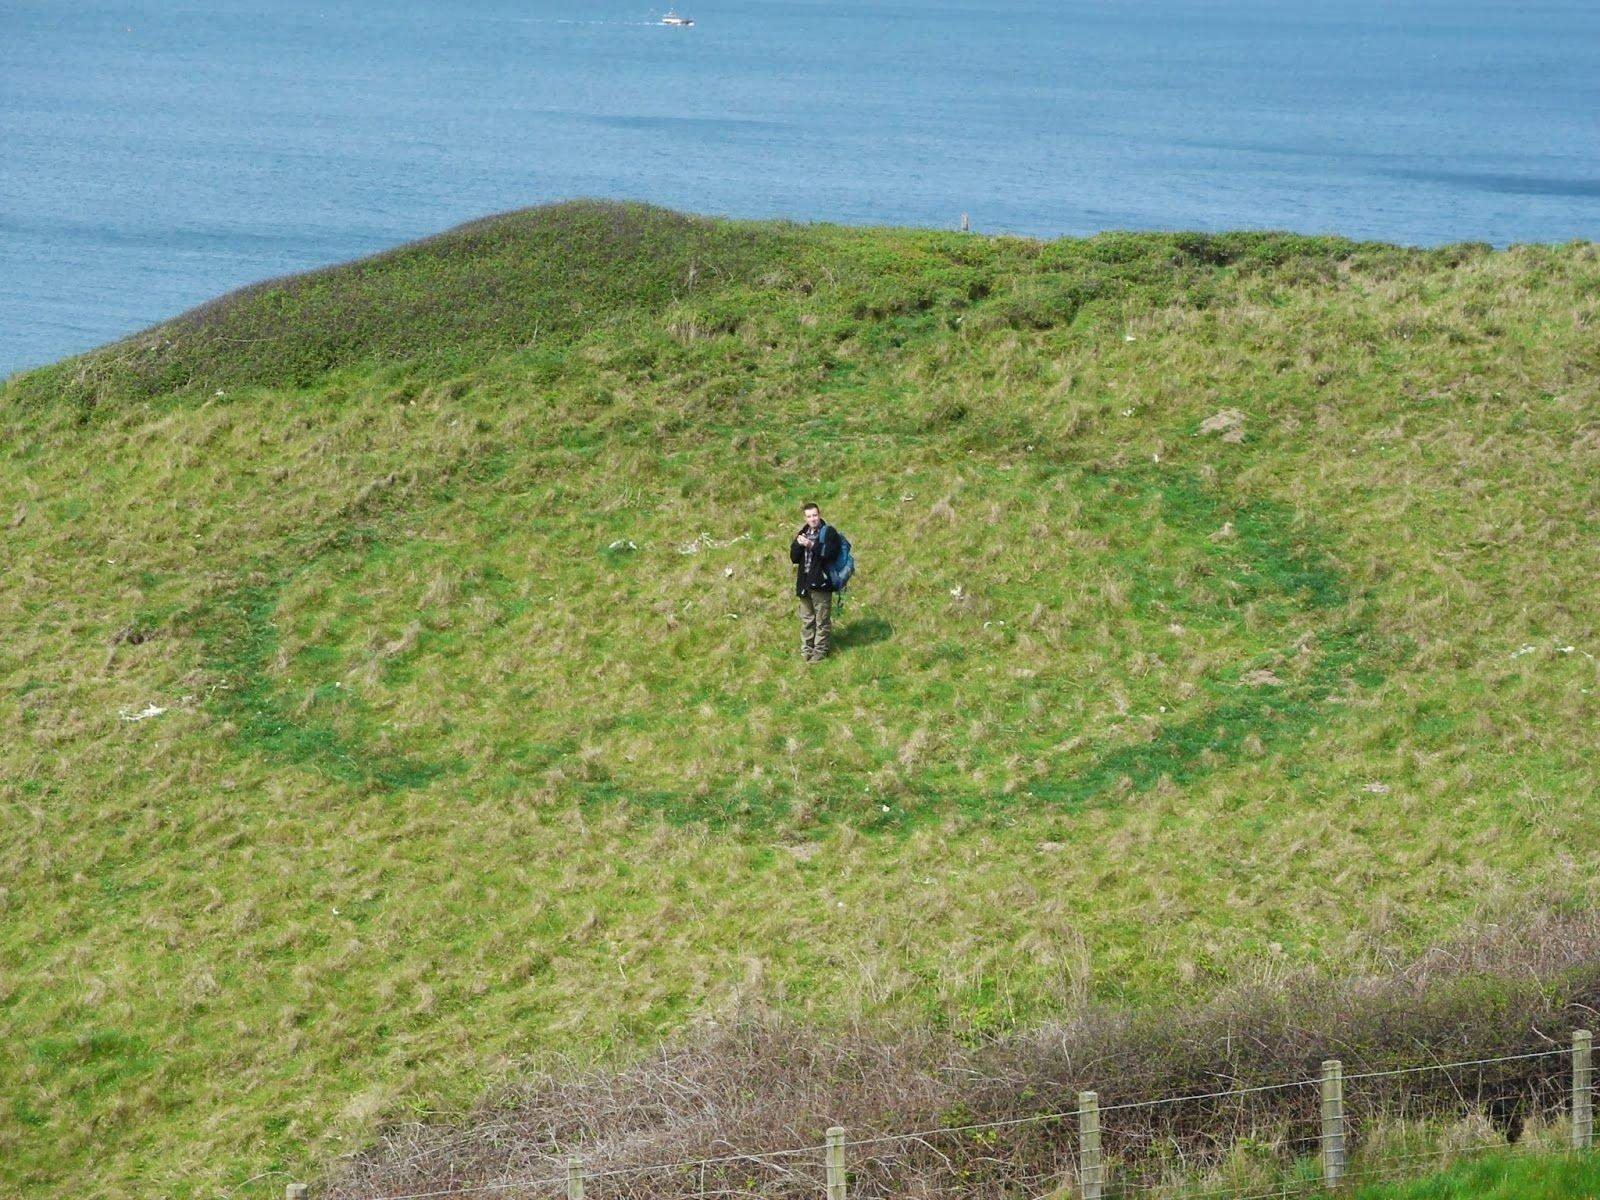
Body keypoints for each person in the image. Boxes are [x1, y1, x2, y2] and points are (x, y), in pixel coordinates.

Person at [789, 502, 840, 663]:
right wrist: (798, 544)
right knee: (807, 620)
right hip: (804, 583)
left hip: (822, 584)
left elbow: (830, 554)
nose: (813, 519)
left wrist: (811, 545)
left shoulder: (829, 532)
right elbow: (794, 558)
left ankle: (819, 653)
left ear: (819, 515)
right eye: (809, 516)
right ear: (805, 517)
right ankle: (806, 651)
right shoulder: (803, 532)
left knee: (822, 620)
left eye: (815, 515)